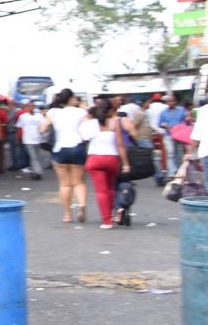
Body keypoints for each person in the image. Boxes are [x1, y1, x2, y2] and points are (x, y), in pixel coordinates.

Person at [47, 89, 91, 224]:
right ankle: (82, 205)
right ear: (71, 99)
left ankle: (67, 215)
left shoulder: (53, 112)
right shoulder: (80, 112)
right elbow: (89, 126)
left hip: (60, 148)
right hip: (77, 146)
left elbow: (42, 128)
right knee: (79, 182)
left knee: (65, 184)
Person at [84, 102, 128, 229]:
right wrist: (126, 164)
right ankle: (111, 215)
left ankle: (106, 221)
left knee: (101, 191)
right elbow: (120, 145)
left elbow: (84, 139)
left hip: (94, 159)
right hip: (111, 159)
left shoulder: (91, 123)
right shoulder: (115, 123)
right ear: (110, 111)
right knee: (110, 189)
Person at [17, 102, 49, 179]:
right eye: (29, 106)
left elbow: (44, 125)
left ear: (34, 107)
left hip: (37, 139)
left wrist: (43, 134)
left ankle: (35, 171)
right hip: (28, 140)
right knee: (33, 157)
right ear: (26, 107)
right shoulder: (23, 116)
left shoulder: (39, 116)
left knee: (36, 157)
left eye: (32, 106)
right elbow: (19, 127)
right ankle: (38, 172)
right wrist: (18, 138)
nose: (31, 108)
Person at [159, 95, 190, 171]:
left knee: (179, 153)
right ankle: (171, 172)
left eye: (172, 101)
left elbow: (186, 120)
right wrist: (166, 126)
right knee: (170, 153)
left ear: (175, 101)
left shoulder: (181, 110)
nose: (170, 103)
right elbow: (160, 124)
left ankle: (179, 169)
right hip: (169, 135)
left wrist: (187, 120)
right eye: (168, 101)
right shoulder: (163, 112)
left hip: (179, 135)